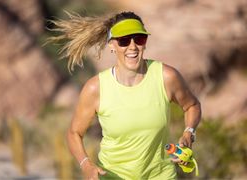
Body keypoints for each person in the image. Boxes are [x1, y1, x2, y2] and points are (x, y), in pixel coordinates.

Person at [48, 11, 201, 180]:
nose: (133, 46)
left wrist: (188, 133)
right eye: (124, 41)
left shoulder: (166, 77)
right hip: (113, 176)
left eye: (139, 39)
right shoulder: (96, 88)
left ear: (145, 43)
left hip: (161, 175)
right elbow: (74, 133)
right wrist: (86, 165)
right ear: (112, 45)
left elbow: (192, 106)